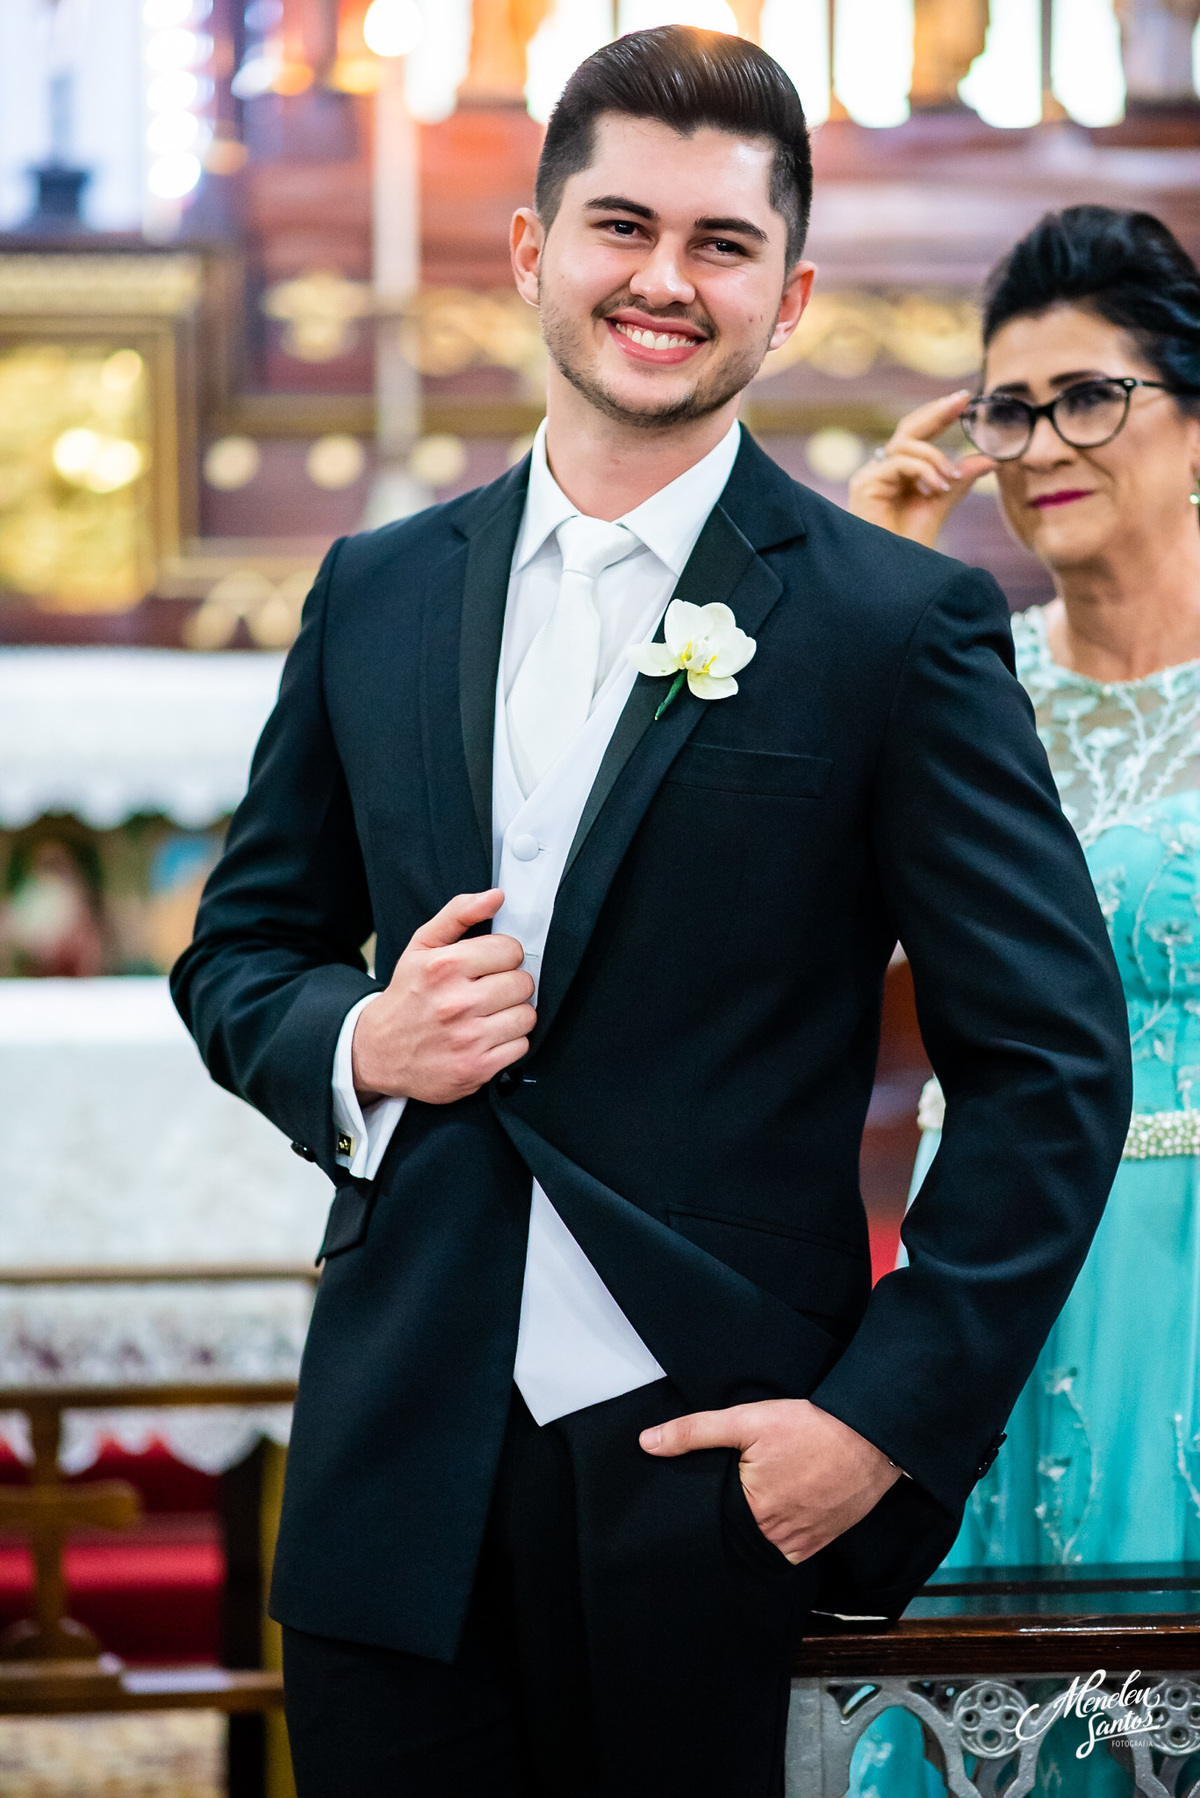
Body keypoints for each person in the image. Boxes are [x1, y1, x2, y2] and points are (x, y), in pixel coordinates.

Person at [171, 36, 1130, 1798]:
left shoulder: (893, 626)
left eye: (721, 242)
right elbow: (240, 952)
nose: (664, 281)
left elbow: (1054, 1067)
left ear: (793, 295)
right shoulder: (377, 590)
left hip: (715, 1476)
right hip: (399, 1469)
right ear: (533, 250)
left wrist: (875, 1425)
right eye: (622, 226)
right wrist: (359, 1040)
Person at [847, 204, 1200, 1797]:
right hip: (996, 1266)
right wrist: (871, 574)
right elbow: (790, 934)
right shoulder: (956, 673)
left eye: (1091, 395)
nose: (1043, 441)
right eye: (1010, 406)